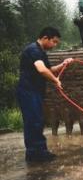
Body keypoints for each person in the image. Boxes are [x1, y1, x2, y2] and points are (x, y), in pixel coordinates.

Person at [16, 27, 73, 162]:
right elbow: (41, 70)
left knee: (37, 120)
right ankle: (35, 153)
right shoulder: (33, 50)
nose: (54, 45)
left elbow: (50, 69)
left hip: (34, 91)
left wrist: (63, 64)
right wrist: (55, 81)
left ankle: (37, 152)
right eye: (54, 42)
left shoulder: (41, 52)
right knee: (33, 121)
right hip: (28, 91)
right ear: (45, 38)